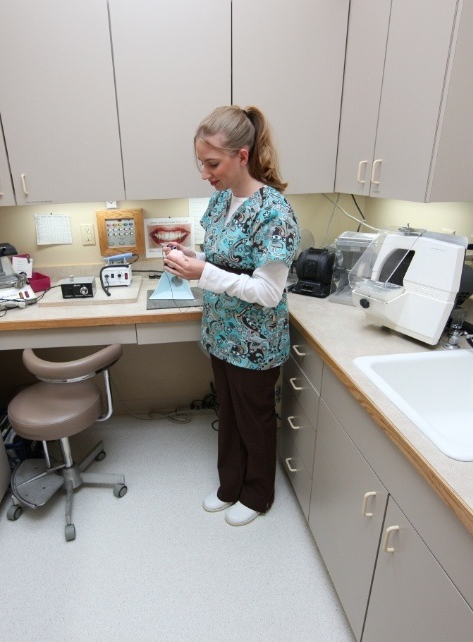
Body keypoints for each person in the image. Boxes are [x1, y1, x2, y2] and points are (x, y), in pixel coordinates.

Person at [162, 105, 300, 527]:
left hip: (256, 340)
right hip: (222, 332)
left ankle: (257, 496)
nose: (205, 173)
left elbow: (267, 290)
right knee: (230, 411)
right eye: (201, 163)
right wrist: (195, 257)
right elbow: (225, 259)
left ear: (242, 155)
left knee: (255, 420)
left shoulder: (274, 212)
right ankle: (229, 485)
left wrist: (205, 273)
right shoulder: (222, 200)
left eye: (213, 163)